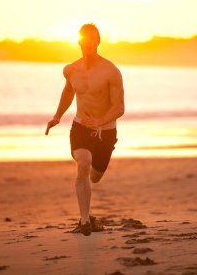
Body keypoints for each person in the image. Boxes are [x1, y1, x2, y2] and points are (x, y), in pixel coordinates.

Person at [45, 24, 125, 236]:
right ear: (79, 41)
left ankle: (88, 211)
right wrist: (57, 116)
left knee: (95, 176)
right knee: (83, 165)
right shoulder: (71, 70)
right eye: (85, 39)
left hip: (105, 131)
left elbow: (119, 107)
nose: (88, 43)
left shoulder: (111, 71)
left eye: (93, 39)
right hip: (80, 126)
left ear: (98, 42)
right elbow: (68, 92)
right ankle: (84, 220)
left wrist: (100, 121)